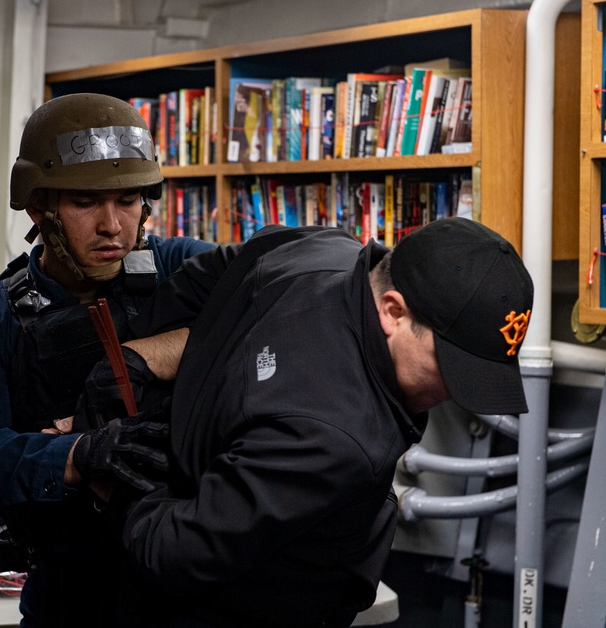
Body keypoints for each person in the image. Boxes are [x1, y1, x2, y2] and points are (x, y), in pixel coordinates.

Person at [80, 218, 534, 628]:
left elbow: (203, 282)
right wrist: (112, 482)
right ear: (394, 312)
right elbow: (172, 554)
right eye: (453, 368)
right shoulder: (336, 437)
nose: (457, 393)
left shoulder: (319, 246)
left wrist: (148, 377)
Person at [0, 92, 214, 627]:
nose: (113, 225)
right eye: (86, 203)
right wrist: (79, 455)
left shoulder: (187, 271)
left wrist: (144, 358)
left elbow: (300, 287)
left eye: (129, 200)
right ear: (40, 207)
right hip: (72, 597)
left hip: (196, 590)